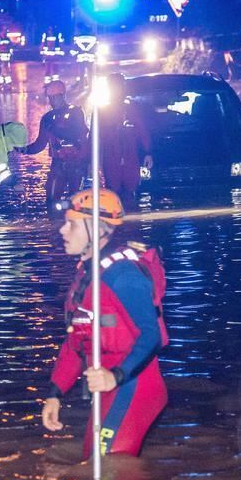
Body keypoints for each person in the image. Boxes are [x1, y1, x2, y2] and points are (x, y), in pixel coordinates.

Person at [41, 188, 168, 459]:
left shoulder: (122, 276)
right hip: (107, 387)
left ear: (97, 230)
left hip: (132, 385)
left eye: (71, 224)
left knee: (106, 466)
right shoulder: (86, 276)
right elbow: (77, 340)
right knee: (94, 461)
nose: (63, 230)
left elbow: (151, 335)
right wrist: (55, 392)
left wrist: (115, 376)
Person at [21, 80, 90, 212]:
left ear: (63, 95)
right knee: (51, 200)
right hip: (58, 164)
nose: (52, 101)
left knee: (76, 202)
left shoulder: (76, 113)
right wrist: (24, 149)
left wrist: (88, 163)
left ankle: (73, 222)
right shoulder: (47, 118)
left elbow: (79, 134)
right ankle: (54, 222)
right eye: (50, 97)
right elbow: (40, 144)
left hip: (76, 165)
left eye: (55, 97)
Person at [99, 73, 152, 209]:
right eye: (113, 87)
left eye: (119, 86)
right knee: (113, 193)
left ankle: (131, 218)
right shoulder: (101, 111)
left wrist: (148, 153)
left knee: (130, 192)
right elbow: (95, 138)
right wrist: (92, 162)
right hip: (111, 158)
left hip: (130, 157)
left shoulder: (132, 109)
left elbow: (142, 131)